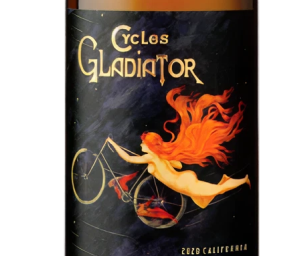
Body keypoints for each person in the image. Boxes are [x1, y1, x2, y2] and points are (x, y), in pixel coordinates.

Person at [107, 86, 251, 211]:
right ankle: (227, 180)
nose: (141, 145)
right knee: (203, 201)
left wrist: (113, 144)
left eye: (143, 143)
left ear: (149, 145)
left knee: (218, 190)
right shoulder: (160, 155)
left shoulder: (151, 157)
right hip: (183, 181)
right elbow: (178, 165)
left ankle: (244, 179)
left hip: (184, 184)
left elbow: (128, 158)